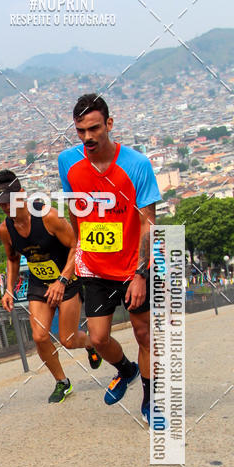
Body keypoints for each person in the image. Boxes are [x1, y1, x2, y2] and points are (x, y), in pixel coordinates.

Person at [58, 93, 162, 426]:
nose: (87, 137)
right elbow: (76, 211)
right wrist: (77, 253)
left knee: (144, 334)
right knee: (99, 338)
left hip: (133, 266)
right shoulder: (68, 163)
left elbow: (149, 223)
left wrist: (141, 274)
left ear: (109, 124)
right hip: (96, 268)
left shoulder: (136, 164)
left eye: (94, 128)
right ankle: (126, 369)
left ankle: (150, 397)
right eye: (80, 131)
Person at [0, 169, 102, 404]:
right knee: (40, 336)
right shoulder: (6, 230)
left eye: (9, 201)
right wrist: (9, 289)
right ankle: (62, 382)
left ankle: (92, 343)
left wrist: (62, 280)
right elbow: (12, 259)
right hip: (39, 283)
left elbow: (78, 246)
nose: (5, 208)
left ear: (21, 194)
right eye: (1, 203)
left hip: (68, 280)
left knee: (68, 340)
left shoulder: (48, 217)